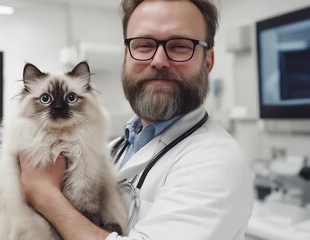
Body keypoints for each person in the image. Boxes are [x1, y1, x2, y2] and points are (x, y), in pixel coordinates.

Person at [19, 0, 254, 239]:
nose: (159, 60)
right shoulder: (116, 149)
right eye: (143, 45)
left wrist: (43, 194)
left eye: (180, 46)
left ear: (208, 61)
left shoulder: (216, 161)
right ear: (126, 57)